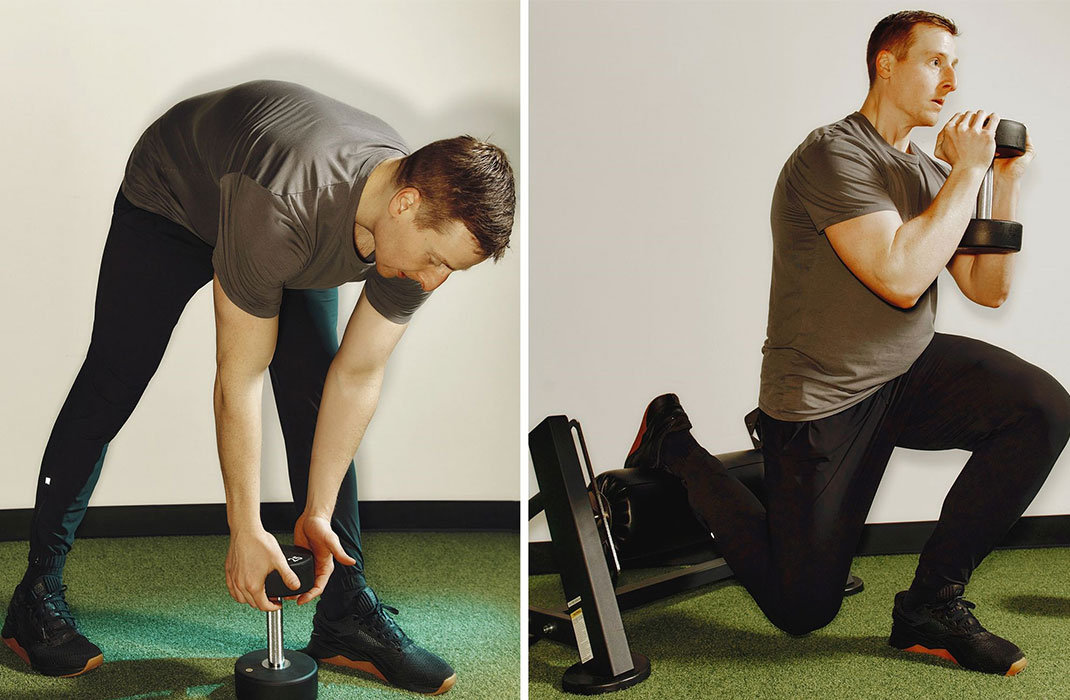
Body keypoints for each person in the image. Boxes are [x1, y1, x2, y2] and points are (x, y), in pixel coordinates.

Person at [1, 80, 515, 694]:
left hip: (279, 213)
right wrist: (245, 528)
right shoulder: (286, 207)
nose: (431, 283)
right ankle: (35, 598)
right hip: (175, 197)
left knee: (313, 392)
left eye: (449, 271)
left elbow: (357, 375)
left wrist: (317, 511)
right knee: (114, 378)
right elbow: (238, 377)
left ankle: (345, 614)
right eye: (435, 260)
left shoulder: (411, 229)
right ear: (404, 204)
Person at [626, 11, 1068, 677]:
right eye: (935, 60)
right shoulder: (833, 154)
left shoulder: (927, 173)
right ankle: (676, 446)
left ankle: (932, 603)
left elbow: (988, 288)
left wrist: (1000, 178)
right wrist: (967, 175)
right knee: (801, 608)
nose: (951, 78)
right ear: (886, 65)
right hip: (823, 400)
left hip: (906, 372)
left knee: (1042, 407)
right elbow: (897, 276)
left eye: (956, 65)